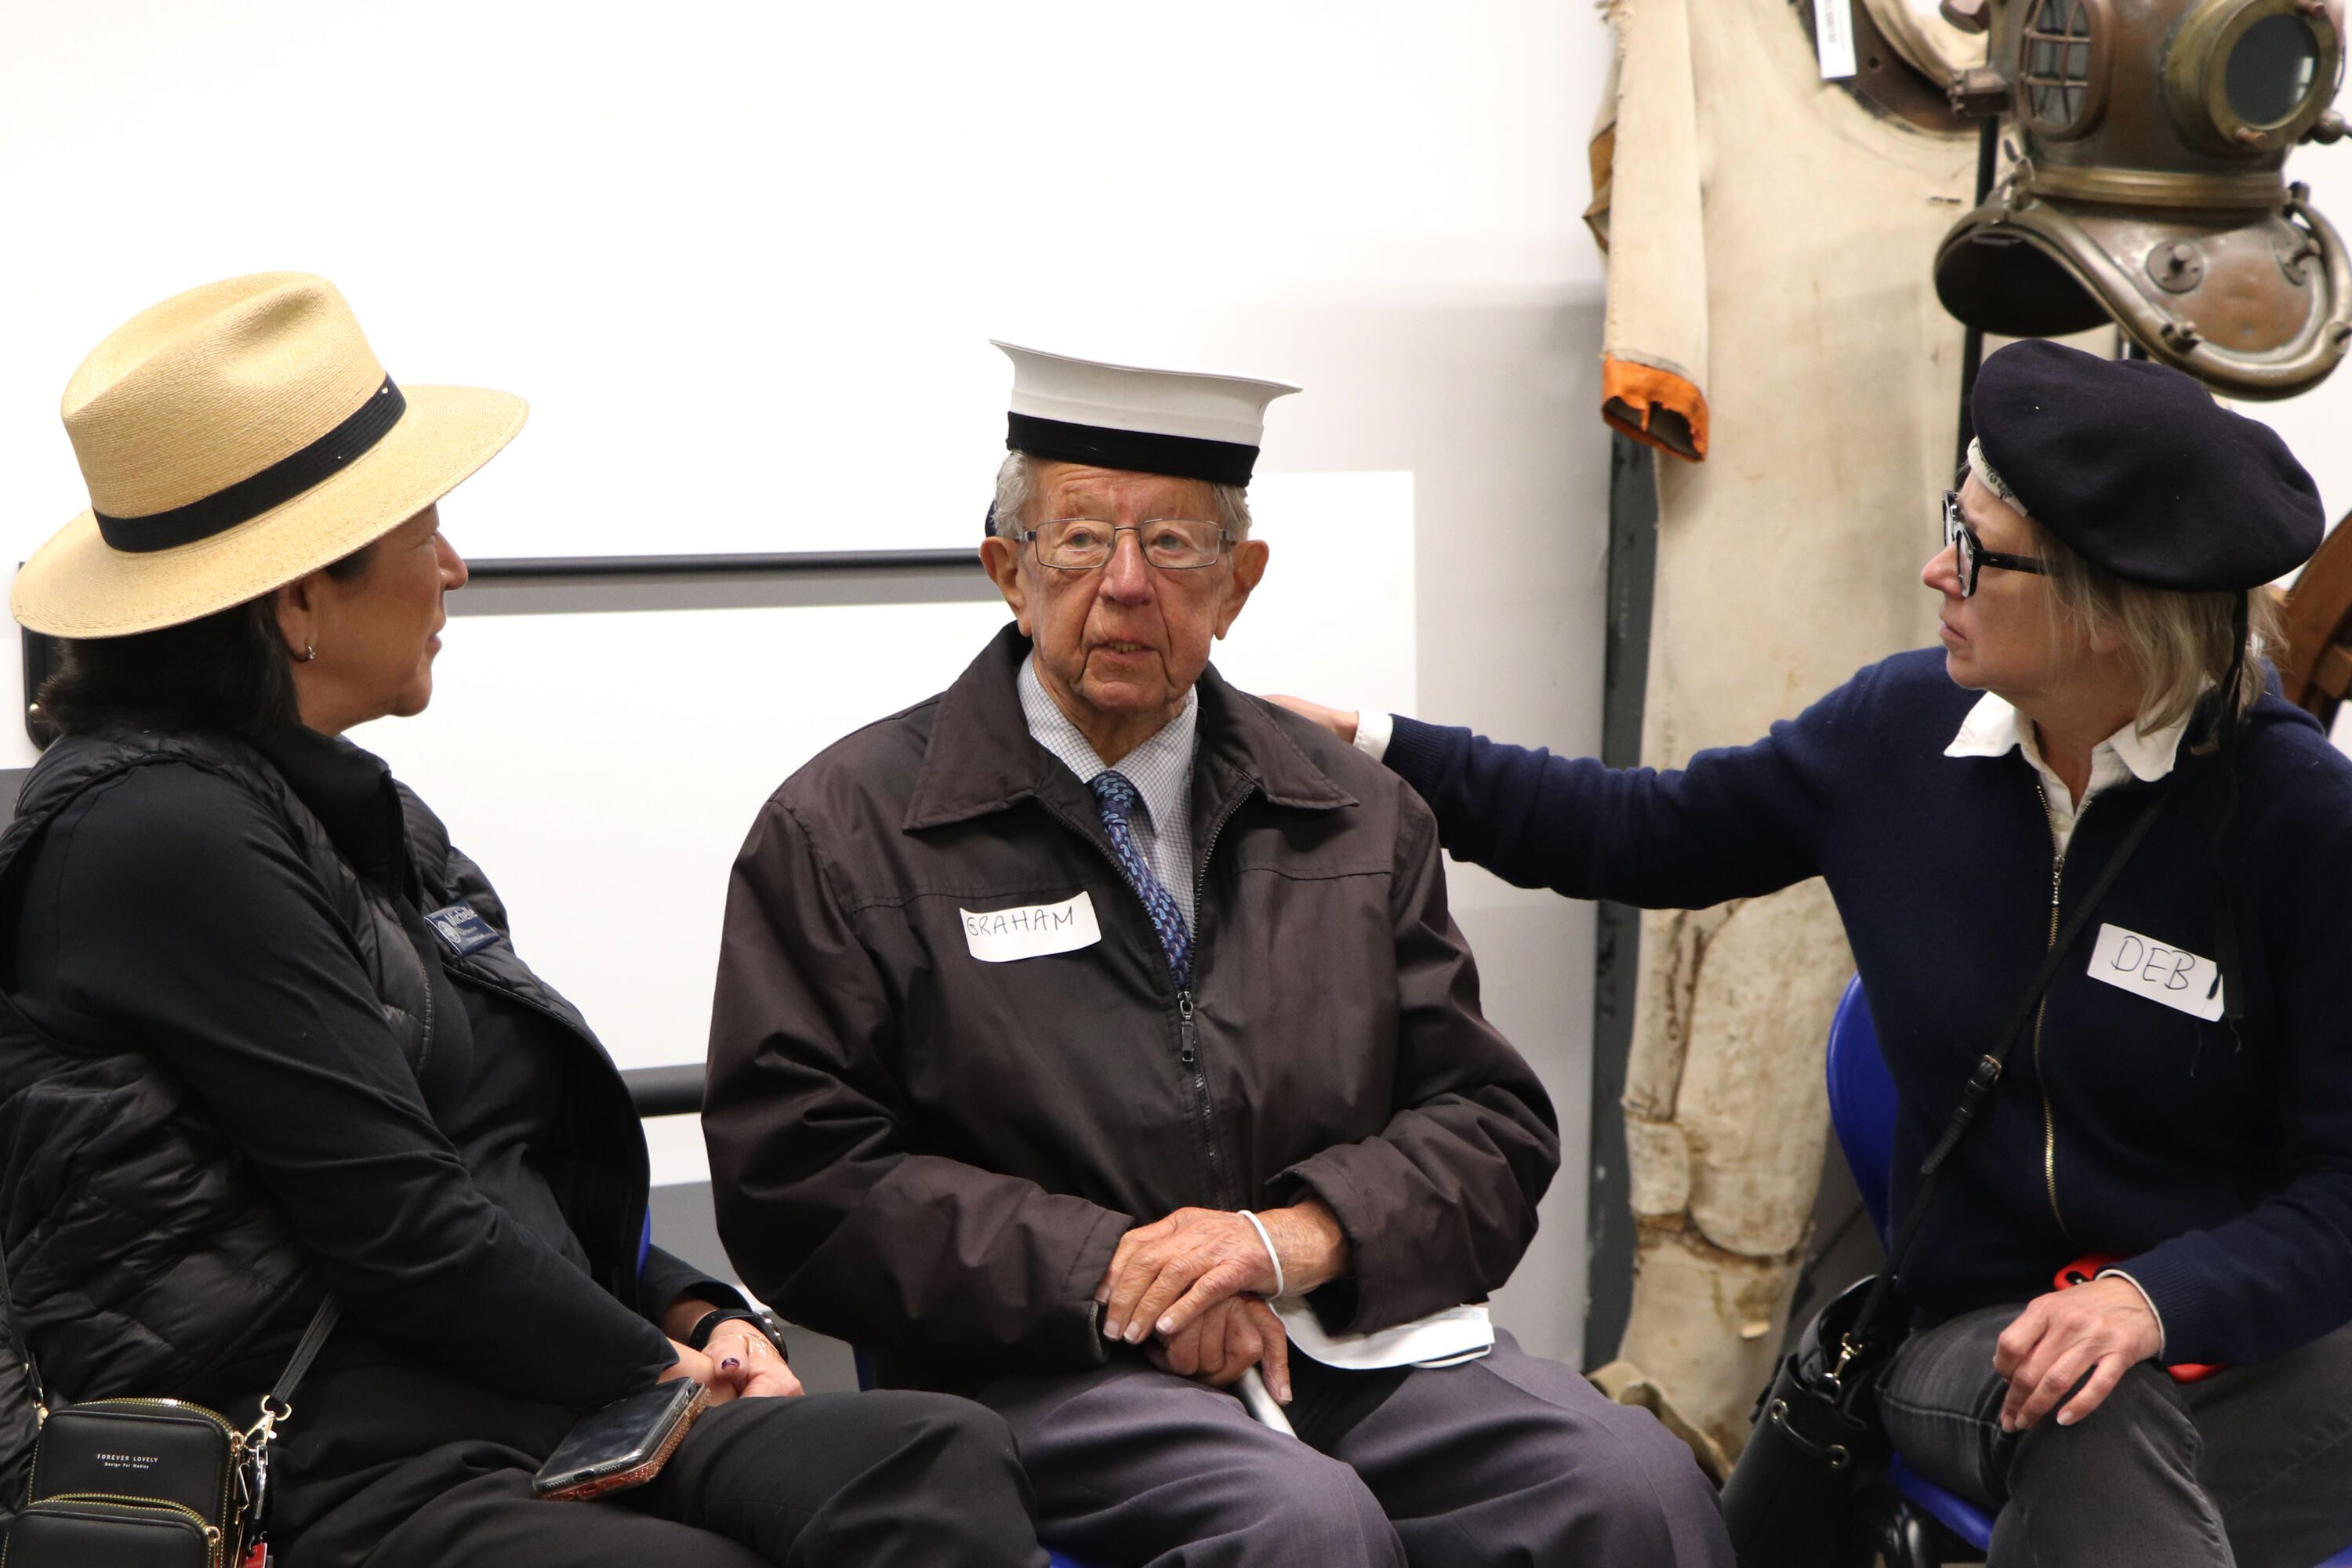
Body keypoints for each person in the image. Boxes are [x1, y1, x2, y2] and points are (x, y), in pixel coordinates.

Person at [0, 273, 1046, 1568]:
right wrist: (661, 1369)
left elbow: (511, 1151)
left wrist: (697, 1308)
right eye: (425, 531)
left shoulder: (354, 813)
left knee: (931, 1458)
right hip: (339, 1464)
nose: (455, 566)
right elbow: (401, 1225)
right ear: (299, 603)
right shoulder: (160, 836)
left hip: (522, 1403)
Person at [1272, 338, 2352, 1566]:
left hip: (2252, 1340)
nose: (1935, 568)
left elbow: (2341, 1195)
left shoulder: (2298, 825)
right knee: (2082, 1415)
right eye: (1953, 522)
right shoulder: (1898, 734)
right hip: (1984, 1334)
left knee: (2119, 1465)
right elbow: (1635, 830)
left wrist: (2154, 1301)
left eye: (1979, 550)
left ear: (2108, 608)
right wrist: (1374, 744)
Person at [702, 341, 1733, 1567]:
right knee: (1300, 1528)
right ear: (1008, 572)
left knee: (1638, 1489)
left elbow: (1489, 1127)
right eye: (1079, 541)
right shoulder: (848, 831)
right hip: (1039, 1362)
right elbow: (801, 1180)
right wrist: (1119, 1273)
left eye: (1176, 546)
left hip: (1340, 1339)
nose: (1126, 585)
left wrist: (1291, 1240)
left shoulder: (1354, 813)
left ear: (1239, 584)